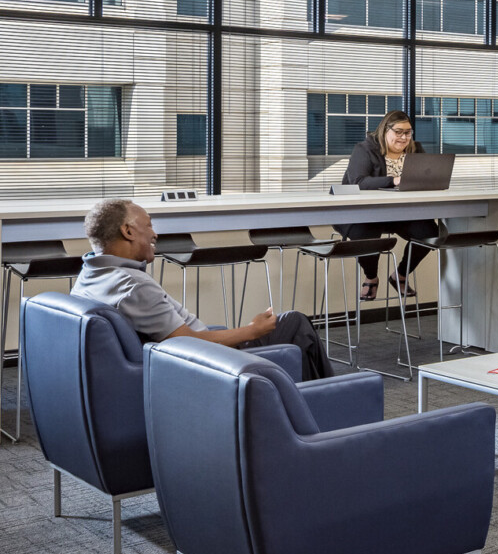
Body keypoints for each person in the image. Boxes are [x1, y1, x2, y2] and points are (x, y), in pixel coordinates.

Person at [74, 199, 336, 380]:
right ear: (128, 231)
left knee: (289, 326)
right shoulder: (133, 286)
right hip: (209, 363)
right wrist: (252, 330)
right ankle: (322, 404)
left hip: (181, 355)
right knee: (296, 324)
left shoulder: (90, 273)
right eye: (149, 224)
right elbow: (183, 342)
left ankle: (312, 398)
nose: (154, 234)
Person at [338, 110, 438, 301]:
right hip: (364, 214)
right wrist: (394, 180)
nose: (404, 137)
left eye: (408, 132)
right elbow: (358, 181)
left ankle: (400, 274)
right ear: (385, 130)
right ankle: (371, 277)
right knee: (364, 236)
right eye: (399, 132)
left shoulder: (415, 149)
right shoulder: (365, 149)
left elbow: (425, 177)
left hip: (401, 213)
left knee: (430, 234)